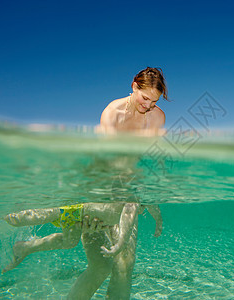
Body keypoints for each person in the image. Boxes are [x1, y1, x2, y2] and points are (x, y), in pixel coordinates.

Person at [68, 67, 168, 300]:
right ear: (134, 86)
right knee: (99, 268)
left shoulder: (158, 117)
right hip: (98, 190)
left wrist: (144, 195)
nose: (148, 106)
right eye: (145, 98)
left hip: (128, 188)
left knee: (125, 265)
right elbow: (111, 162)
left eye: (154, 102)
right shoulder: (112, 112)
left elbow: (145, 161)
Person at [2, 203, 162, 273]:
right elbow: (128, 213)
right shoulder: (132, 196)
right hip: (73, 208)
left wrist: (158, 221)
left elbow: (153, 206)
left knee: (69, 242)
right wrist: (120, 243)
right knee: (28, 218)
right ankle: (4, 212)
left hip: (77, 220)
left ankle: (26, 247)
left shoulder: (144, 198)